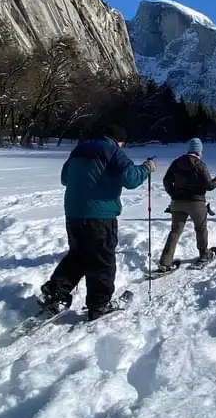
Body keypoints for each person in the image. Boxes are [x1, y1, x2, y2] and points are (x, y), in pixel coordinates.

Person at [40, 123, 155, 319]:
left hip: (74, 213)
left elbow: (65, 178)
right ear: (119, 141)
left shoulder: (80, 149)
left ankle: (56, 291)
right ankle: (99, 304)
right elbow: (131, 179)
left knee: (78, 255)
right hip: (100, 215)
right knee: (102, 260)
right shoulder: (112, 150)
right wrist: (146, 168)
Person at [158, 138, 216, 271]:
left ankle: (165, 262)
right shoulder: (200, 165)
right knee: (201, 229)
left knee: (175, 231)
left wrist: (173, 194)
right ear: (199, 151)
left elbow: (166, 180)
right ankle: (204, 255)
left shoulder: (176, 162)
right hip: (196, 203)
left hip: (177, 203)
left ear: (189, 149)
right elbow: (209, 185)